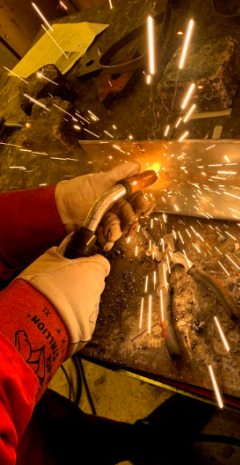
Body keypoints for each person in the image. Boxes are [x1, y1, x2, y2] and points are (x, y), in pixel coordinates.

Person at [0, 161, 214, 465]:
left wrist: (48, 213)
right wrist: (38, 318)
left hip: (22, 414)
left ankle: (147, 441)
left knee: (68, 430)